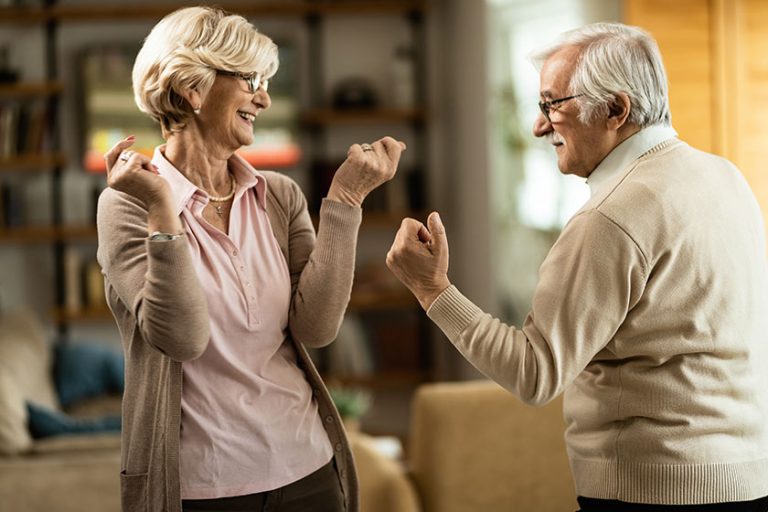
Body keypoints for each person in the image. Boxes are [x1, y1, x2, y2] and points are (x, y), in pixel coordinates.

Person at [386, 22, 768, 511]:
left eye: (553, 105)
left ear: (616, 110)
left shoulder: (611, 216)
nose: (539, 126)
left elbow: (535, 373)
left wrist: (433, 290)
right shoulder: (725, 176)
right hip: (746, 478)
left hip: (652, 490)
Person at [97, 6, 406, 512]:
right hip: (204, 485)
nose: (263, 97)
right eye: (250, 80)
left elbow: (316, 327)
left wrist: (346, 200)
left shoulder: (278, 195)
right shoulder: (128, 205)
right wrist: (162, 210)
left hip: (308, 468)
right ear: (192, 89)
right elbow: (183, 337)